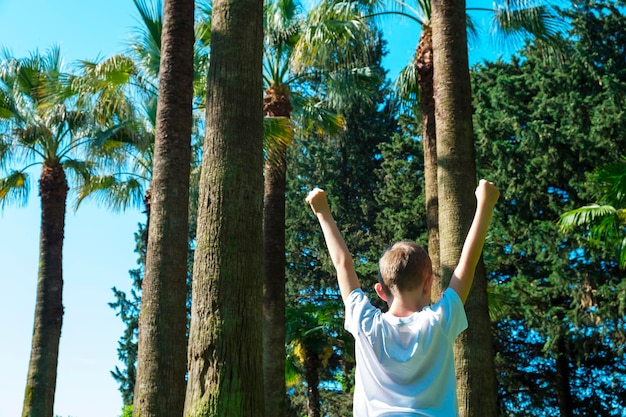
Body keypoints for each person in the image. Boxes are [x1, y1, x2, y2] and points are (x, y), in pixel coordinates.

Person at [306, 179, 500, 416]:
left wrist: (322, 212)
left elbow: (343, 264)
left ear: (380, 290)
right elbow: (466, 265)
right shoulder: (439, 321)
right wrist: (485, 205)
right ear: (429, 283)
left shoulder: (365, 323)